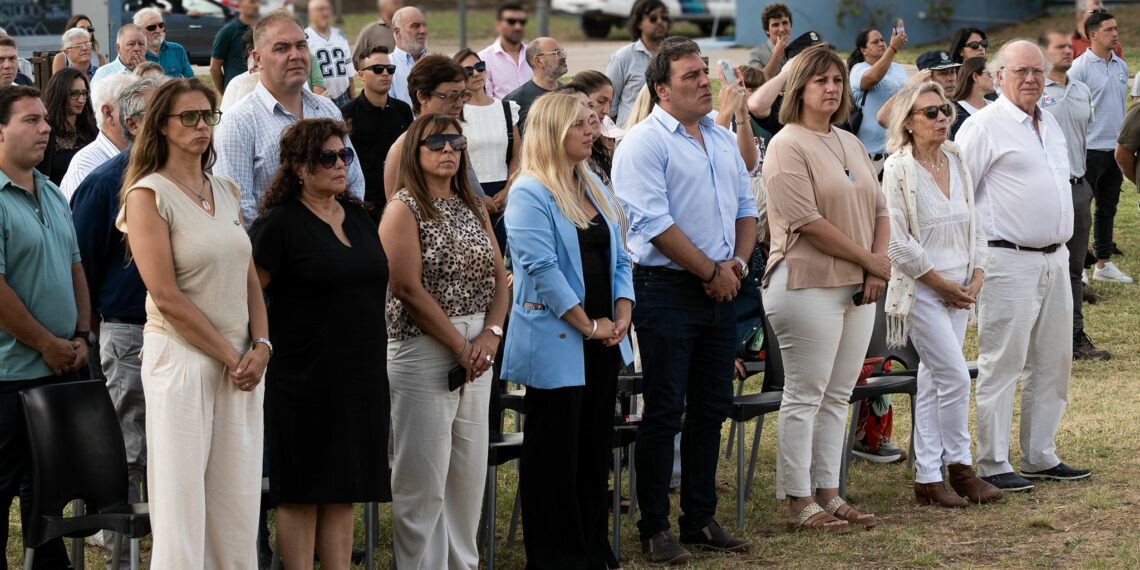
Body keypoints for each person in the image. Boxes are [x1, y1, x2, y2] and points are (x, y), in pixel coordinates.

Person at [612, 37, 754, 563]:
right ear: (661, 89)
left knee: (711, 409)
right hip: (667, 290)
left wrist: (733, 267)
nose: (703, 82)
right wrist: (711, 271)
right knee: (666, 410)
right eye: (690, 75)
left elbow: (746, 206)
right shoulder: (643, 143)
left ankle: (699, 519)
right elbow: (653, 224)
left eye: (703, 73)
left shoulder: (717, 137)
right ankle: (653, 527)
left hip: (723, 288)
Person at [115, 77, 268, 567]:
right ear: (162, 126)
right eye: (189, 117)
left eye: (208, 116)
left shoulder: (225, 188)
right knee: (182, 503)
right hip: (182, 359)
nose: (202, 126)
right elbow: (166, 295)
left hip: (241, 361)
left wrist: (262, 345)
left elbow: (249, 279)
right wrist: (231, 357)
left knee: (237, 500)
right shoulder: (147, 194)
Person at [249, 118, 390, 570]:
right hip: (304, 377)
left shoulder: (359, 215)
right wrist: (261, 344)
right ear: (299, 168)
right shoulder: (278, 225)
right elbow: (250, 296)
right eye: (326, 157)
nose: (339, 164)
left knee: (344, 488)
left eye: (343, 155)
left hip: (362, 374)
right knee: (303, 492)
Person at [503, 92, 633, 569]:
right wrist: (588, 325)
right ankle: (556, 557)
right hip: (560, 339)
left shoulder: (593, 181)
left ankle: (592, 549)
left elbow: (620, 252)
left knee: (592, 449)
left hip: (603, 338)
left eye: (593, 121)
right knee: (555, 454)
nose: (591, 129)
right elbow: (540, 267)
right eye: (580, 123)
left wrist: (621, 314)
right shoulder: (529, 190)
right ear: (554, 131)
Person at [762, 44, 888, 532]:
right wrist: (870, 262)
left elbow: (880, 209)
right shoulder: (786, 143)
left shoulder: (850, 142)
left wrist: (876, 270)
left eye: (837, 81)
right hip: (806, 283)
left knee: (839, 394)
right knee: (806, 393)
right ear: (800, 88)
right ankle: (798, 500)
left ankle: (829, 492)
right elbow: (806, 222)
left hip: (859, 287)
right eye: (821, 81)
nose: (832, 89)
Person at [956, 39, 1090, 492]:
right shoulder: (983, 127)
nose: (1031, 79)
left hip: (1055, 258)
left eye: (1037, 71)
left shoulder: (1048, 123)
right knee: (1003, 362)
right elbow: (961, 199)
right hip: (1006, 259)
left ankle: (1040, 454)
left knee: (1054, 361)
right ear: (998, 76)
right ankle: (993, 461)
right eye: (1020, 72)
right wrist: (970, 266)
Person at [379, 113, 509, 569]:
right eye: (436, 143)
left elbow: (500, 277)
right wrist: (460, 346)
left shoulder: (472, 201)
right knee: (423, 477)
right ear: (415, 151)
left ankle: (462, 564)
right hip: (424, 348)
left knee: (467, 476)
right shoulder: (403, 207)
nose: (448, 150)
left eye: (456, 142)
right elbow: (406, 287)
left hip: (478, 351)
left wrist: (490, 337)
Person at [880, 82, 1003, 507]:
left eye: (944, 110)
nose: (941, 119)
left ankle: (927, 478)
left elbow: (976, 224)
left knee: (934, 381)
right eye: (929, 113)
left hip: (961, 289)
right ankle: (961, 469)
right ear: (908, 123)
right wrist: (941, 284)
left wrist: (977, 277)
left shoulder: (957, 158)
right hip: (922, 291)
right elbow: (897, 242)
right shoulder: (897, 167)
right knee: (953, 376)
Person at [69, 74, 166, 564]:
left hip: (186, 335)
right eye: (167, 113)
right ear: (133, 123)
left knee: (174, 452)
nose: (182, 124)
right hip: (128, 332)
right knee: (129, 451)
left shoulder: (193, 181)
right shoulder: (105, 184)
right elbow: (81, 265)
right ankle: (123, 559)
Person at [0, 84, 91, 570]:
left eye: (44, 119)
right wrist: (47, 344)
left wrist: (80, 336)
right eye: (30, 120)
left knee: (48, 493)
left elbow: (75, 266)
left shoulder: (52, 190)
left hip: (60, 369)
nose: (45, 128)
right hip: (11, 375)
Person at [214, 10, 365, 226]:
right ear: (257, 59)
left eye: (301, 45)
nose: (295, 55)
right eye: (281, 48)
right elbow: (238, 208)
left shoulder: (327, 109)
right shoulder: (237, 123)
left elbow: (354, 180)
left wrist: (345, 232)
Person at [1038, 31, 1109, 362]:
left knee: (1074, 269)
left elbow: (1083, 136)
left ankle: (1074, 337)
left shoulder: (1082, 90)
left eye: (1070, 46)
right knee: (1040, 267)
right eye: (1060, 47)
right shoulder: (1034, 92)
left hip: (1078, 190)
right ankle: (1040, 341)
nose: (1068, 51)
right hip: (1044, 192)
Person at [1068, 10, 1131, 284]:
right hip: (1088, 149)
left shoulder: (1121, 66)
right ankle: (1078, 265)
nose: (1115, 34)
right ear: (1092, 35)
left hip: (1114, 149)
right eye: (1109, 30)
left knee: (1108, 208)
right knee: (1080, 211)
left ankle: (1103, 264)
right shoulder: (1079, 67)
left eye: (1116, 28)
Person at [383, 55, 486, 202]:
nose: (460, 104)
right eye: (451, 96)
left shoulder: (454, 141)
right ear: (422, 97)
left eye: (463, 95)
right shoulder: (402, 149)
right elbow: (395, 215)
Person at [454, 48, 519, 247]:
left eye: (480, 67)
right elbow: (459, 161)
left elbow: (518, 154)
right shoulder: (456, 113)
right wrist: (478, 197)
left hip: (505, 194)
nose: (476, 73)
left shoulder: (507, 109)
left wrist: (509, 189)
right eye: (468, 71)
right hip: (469, 193)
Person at [341, 45, 413, 218]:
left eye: (390, 69)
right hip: (364, 206)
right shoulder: (346, 115)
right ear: (361, 75)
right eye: (378, 69)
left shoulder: (403, 110)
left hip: (402, 201)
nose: (386, 74)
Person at [60, 74, 137, 200]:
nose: (148, 115)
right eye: (134, 105)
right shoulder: (86, 167)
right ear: (108, 113)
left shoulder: (147, 155)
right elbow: (79, 219)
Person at [848, 27, 908, 176]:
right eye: (875, 42)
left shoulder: (898, 69)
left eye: (882, 40)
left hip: (898, 150)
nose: (881, 44)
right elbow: (873, 78)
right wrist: (893, 48)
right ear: (864, 50)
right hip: (869, 152)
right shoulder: (859, 69)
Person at [607, 0, 670, 129]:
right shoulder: (622, 57)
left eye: (663, 17)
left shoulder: (675, 54)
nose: (660, 21)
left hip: (668, 136)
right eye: (653, 18)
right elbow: (609, 104)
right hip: (630, 136)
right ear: (639, 23)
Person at [38, 67, 97, 186]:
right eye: (74, 94)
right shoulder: (46, 131)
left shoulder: (92, 128)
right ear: (59, 94)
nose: (81, 100)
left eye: (84, 93)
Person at [505, 37, 566, 136]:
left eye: (562, 52)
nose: (563, 56)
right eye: (556, 53)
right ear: (538, 61)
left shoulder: (571, 93)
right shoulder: (513, 102)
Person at [306, 0, 356, 106]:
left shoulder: (339, 34)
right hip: (319, 99)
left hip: (343, 97)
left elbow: (349, 73)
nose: (325, 13)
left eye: (327, 9)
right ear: (310, 14)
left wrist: (352, 98)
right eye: (320, 9)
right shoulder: (305, 37)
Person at [479, 3, 532, 99]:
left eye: (522, 22)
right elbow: (487, 101)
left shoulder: (534, 54)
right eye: (511, 21)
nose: (518, 27)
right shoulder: (484, 58)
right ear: (498, 25)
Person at [212, 0, 261, 93]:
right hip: (236, 93)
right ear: (240, 3)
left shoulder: (265, 30)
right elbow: (214, 69)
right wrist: (226, 94)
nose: (257, 5)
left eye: (259, 2)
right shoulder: (227, 32)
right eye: (252, 2)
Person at [135, 7, 194, 78]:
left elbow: (191, 81)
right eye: (152, 27)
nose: (158, 30)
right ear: (140, 31)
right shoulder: (136, 55)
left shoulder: (178, 50)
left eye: (161, 25)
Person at [389, 6, 428, 104]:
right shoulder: (386, 67)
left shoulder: (437, 64)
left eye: (424, 25)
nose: (423, 31)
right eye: (415, 26)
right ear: (398, 32)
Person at [949, 57, 993, 139]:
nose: (993, 77)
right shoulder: (955, 114)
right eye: (990, 74)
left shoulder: (995, 106)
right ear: (975, 77)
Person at [747, 2, 792, 79]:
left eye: (785, 23)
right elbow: (757, 83)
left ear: (790, 25)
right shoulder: (755, 55)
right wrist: (777, 55)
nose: (781, 29)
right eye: (775, 25)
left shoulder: (801, 51)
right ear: (767, 30)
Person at [353, 0, 402, 67]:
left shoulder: (408, 29)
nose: (401, 6)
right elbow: (356, 60)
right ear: (382, 6)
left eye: (401, 3)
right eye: (396, 3)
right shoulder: (369, 31)